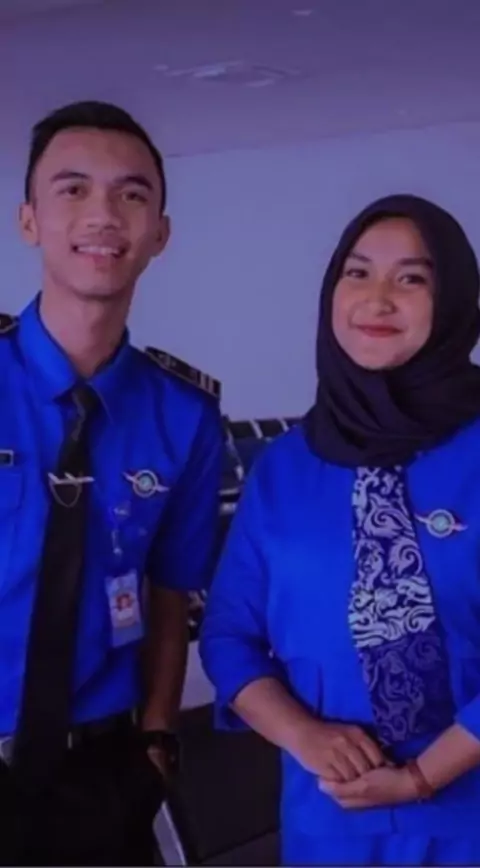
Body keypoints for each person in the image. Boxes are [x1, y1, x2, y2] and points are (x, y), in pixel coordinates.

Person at [200, 194, 480, 866]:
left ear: (454, 301)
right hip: (331, 821)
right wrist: (304, 735)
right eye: (358, 273)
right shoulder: (286, 467)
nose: (378, 298)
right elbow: (230, 636)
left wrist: (424, 775)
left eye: (411, 278)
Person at [0, 100, 223, 866]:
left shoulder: (185, 416)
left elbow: (170, 592)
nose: (103, 214)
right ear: (29, 220)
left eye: (132, 194)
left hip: (100, 773)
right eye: (73, 189)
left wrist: (157, 743)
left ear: (159, 233)